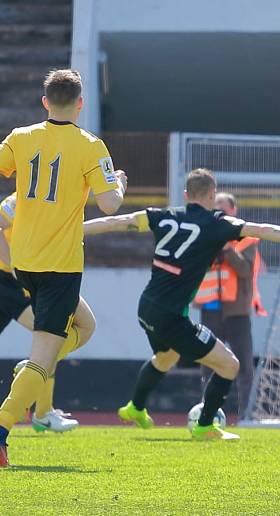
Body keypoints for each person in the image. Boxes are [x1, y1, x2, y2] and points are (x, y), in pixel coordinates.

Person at [83, 168, 280, 441]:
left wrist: (74, 230)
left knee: (166, 357)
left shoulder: (164, 215)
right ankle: (205, 425)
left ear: (186, 195)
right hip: (172, 317)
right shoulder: (217, 223)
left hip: (146, 307)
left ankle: (135, 407)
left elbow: (119, 221)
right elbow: (264, 230)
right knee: (230, 366)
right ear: (212, 195)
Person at [0, 69, 127, 467]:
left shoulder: (20, 137)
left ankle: (33, 371)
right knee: (45, 353)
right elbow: (109, 205)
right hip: (60, 265)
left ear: (44, 102)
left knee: (84, 326)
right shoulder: (91, 145)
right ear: (80, 103)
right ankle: (4, 422)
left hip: (24, 262)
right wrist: (119, 182)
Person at [0, 193, 98, 433]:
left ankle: (42, 408)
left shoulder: (60, 194)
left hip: (36, 275)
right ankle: (42, 410)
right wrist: (13, 267)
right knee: (55, 337)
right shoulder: (21, 197)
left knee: (61, 334)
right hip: (15, 280)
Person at [194, 192, 266, 420]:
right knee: (208, 363)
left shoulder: (246, 238)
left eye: (224, 211)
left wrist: (226, 249)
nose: (220, 215)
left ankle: (246, 415)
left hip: (237, 312)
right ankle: (207, 412)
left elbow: (245, 270)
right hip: (211, 310)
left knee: (244, 365)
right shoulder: (205, 237)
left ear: (233, 212)